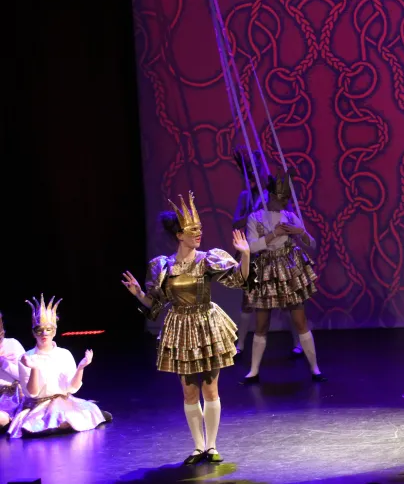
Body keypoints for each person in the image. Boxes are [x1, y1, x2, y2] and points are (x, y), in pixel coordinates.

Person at [121, 192, 251, 464]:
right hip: (180, 327)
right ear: (179, 235)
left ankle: (212, 446)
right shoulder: (163, 266)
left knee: (210, 389)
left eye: (200, 229)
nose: (199, 234)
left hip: (206, 324)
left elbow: (239, 279)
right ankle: (198, 446)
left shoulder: (207, 259)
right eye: (193, 230)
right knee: (189, 391)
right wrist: (138, 294)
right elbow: (155, 304)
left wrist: (246, 255)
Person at [242, 172, 324, 384]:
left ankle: (315, 368)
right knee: (262, 323)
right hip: (266, 270)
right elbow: (251, 247)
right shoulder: (255, 217)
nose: (285, 202)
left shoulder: (290, 216)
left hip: (288, 269)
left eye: (287, 198)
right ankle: (253, 371)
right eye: (281, 197)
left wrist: (300, 232)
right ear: (271, 195)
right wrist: (273, 234)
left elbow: (312, 243)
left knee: (300, 320)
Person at [231, 149, 302, 357]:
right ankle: (240, 344)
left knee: (288, 300)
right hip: (256, 254)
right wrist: (252, 213)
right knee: (248, 300)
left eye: (257, 168)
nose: (254, 173)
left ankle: (298, 341)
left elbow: (288, 215)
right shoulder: (246, 196)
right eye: (250, 169)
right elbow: (236, 223)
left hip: (278, 254)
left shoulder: (274, 193)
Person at [8, 295, 110, 439]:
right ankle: (55, 426)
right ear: (33, 333)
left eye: (48, 329)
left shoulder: (64, 354)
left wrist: (81, 368)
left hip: (62, 402)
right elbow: (32, 393)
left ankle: (74, 421)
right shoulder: (26, 357)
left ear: (54, 331)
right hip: (39, 406)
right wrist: (34, 368)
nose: (44, 333)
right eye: (39, 330)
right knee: (40, 424)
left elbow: (71, 388)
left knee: (82, 412)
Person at [0, 311, 26, 433]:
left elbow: (25, 377)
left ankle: (11, 421)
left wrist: (3, 363)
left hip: (11, 400)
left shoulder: (12, 344)